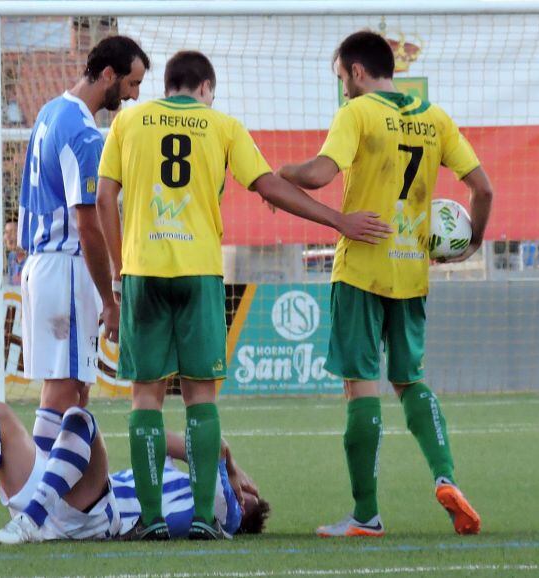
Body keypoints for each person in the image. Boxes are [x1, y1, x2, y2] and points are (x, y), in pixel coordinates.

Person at [96, 50, 390, 540]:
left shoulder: (129, 122)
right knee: (200, 398)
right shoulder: (222, 125)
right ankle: (201, 519)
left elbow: (105, 196)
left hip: (143, 272)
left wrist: (118, 271)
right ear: (206, 87)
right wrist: (338, 221)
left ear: (168, 85)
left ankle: (148, 522)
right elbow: (270, 187)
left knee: (145, 398)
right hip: (200, 273)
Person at [277, 31, 493, 538]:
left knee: (359, 388)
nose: (343, 91)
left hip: (360, 269)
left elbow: (319, 173)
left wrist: (280, 172)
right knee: (410, 380)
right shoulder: (434, 117)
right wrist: (472, 243)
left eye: (341, 79)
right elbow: (482, 187)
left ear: (355, 71)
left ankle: (366, 515)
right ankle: (446, 476)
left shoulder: (358, 113)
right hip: (411, 270)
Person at [0, 403, 270, 544]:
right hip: (59, 491)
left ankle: (30, 521)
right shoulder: (175, 475)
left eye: (249, 497)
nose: (246, 492)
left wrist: (232, 468)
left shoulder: (224, 514)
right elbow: (162, 440)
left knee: (79, 419)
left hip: (96, 514)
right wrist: (220, 463)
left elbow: (213, 446)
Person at [17, 36, 149, 417]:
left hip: (43, 263)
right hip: (66, 268)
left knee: (72, 393)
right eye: (132, 84)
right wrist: (110, 301)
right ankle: (43, 477)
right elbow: (88, 225)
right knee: (64, 394)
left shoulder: (50, 111)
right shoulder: (84, 134)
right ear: (108, 74)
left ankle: (80, 478)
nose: (134, 96)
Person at [4, 220, 26, 285]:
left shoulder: (32, 257)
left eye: (12, 232)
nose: (7, 237)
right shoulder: (12, 256)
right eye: (6, 232)